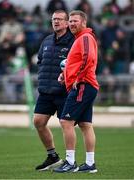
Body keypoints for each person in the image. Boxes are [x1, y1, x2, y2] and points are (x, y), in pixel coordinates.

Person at [53, 10, 99, 173]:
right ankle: (90, 164)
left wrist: (77, 78)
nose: (72, 24)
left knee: (66, 122)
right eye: (70, 21)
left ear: (84, 22)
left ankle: (70, 162)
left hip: (83, 85)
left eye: (75, 21)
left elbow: (88, 58)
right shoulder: (80, 39)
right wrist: (65, 75)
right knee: (85, 125)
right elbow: (79, 61)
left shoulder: (85, 37)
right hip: (85, 84)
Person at [33, 10, 74, 171]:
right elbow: (40, 61)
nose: (56, 22)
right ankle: (53, 156)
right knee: (38, 122)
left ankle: (71, 161)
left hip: (64, 91)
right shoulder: (47, 40)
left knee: (67, 125)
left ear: (66, 23)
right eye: (54, 19)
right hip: (46, 91)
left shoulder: (73, 41)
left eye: (59, 19)